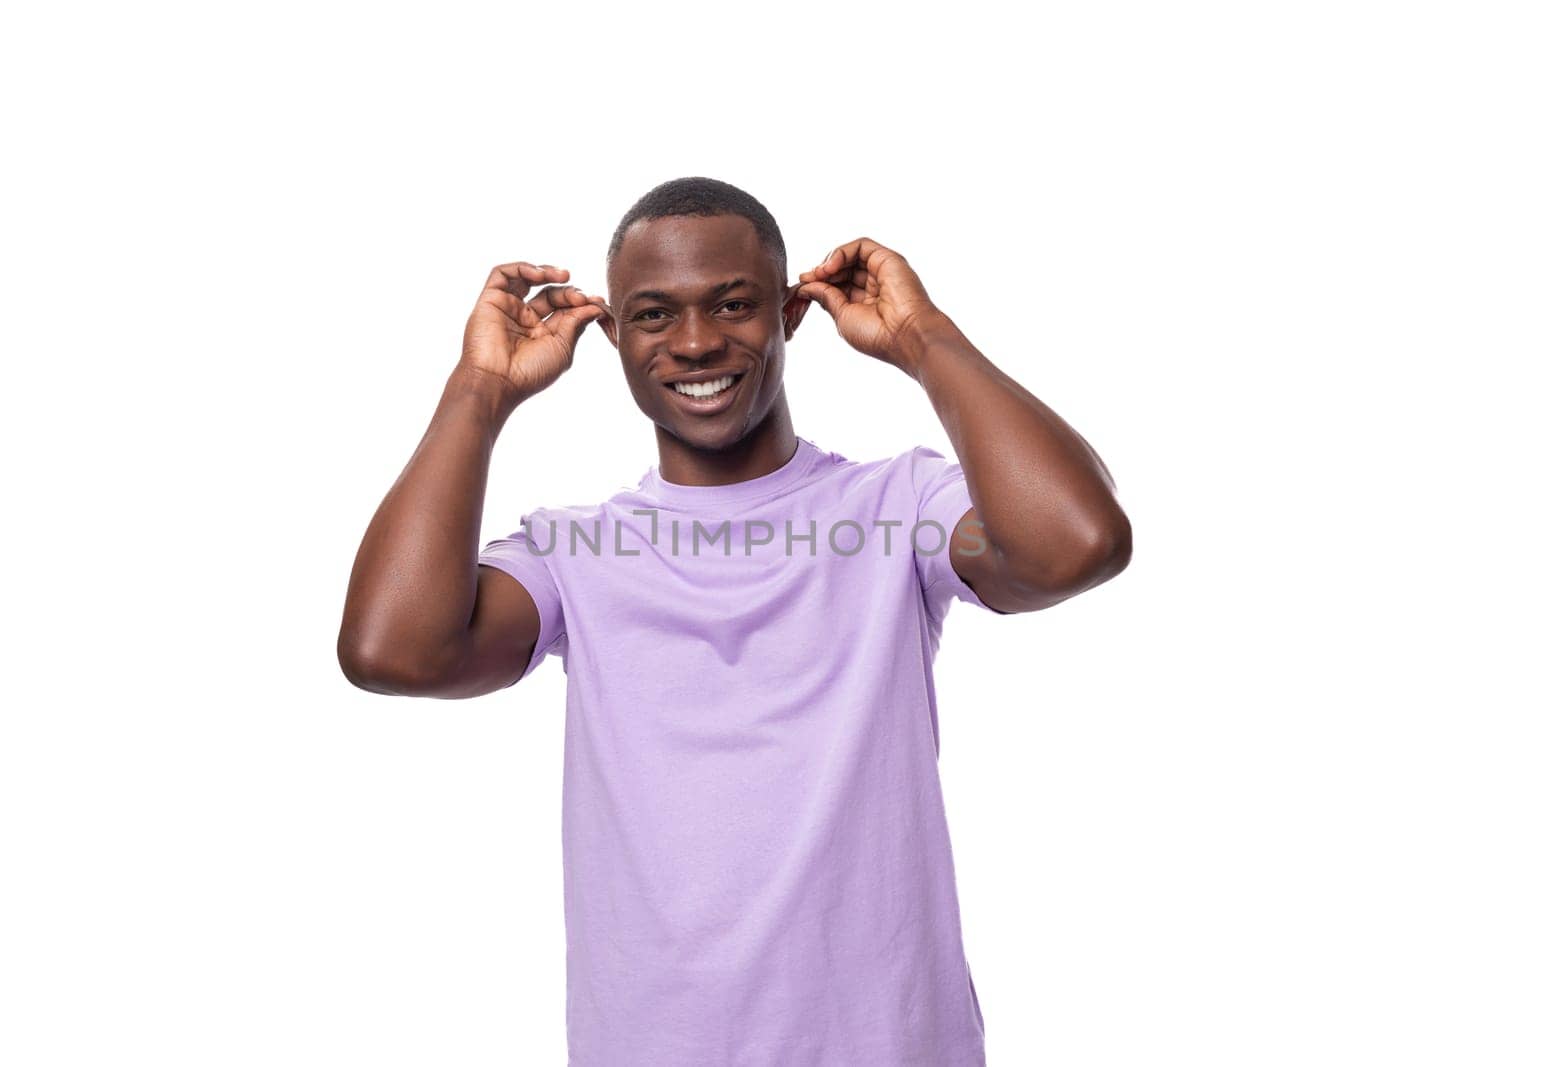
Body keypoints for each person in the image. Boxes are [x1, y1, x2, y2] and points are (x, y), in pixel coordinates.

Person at [338, 176, 1131, 1066]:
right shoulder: (575, 551)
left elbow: (1078, 540)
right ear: (612, 335)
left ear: (791, 315)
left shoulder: (899, 505)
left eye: (733, 304)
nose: (695, 341)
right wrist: (480, 389)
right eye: (652, 315)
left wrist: (922, 337)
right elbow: (390, 648)